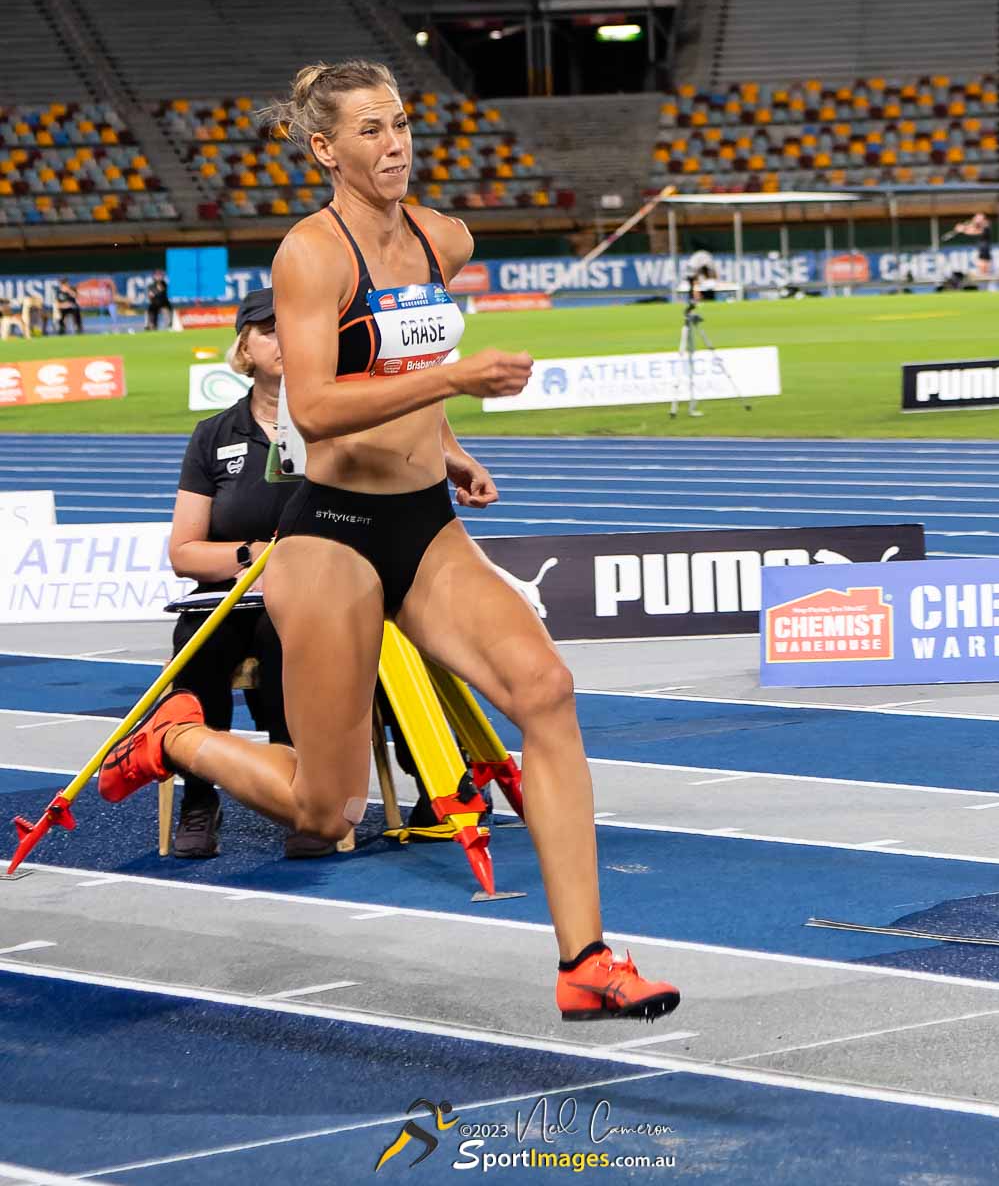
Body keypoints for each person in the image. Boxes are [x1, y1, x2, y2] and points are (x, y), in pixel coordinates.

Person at [100, 59, 680, 1022]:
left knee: (547, 690)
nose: (395, 143)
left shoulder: (440, 237)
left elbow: (400, 355)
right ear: (325, 148)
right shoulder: (310, 257)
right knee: (326, 812)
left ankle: (585, 959)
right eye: (369, 129)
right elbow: (319, 408)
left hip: (422, 522)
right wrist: (455, 387)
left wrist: (443, 446)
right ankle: (180, 739)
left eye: (402, 122)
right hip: (330, 534)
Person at [167, 288, 331, 858]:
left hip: (313, 594)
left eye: (294, 327)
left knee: (287, 642)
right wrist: (252, 554)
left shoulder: (335, 425)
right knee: (195, 648)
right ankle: (199, 796)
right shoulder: (213, 436)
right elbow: (184, 552)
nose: (285, 340)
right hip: (229, 595)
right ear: (244, 347)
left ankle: (304, 799)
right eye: (269, 330)